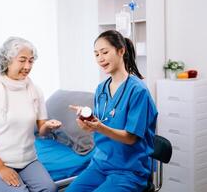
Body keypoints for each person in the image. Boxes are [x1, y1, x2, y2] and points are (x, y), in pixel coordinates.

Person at [67, 30, 158, 192]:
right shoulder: (101, 89)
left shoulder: (138, 91)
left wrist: (98, 127)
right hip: (100, 164)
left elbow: (130, 138)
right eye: (96, 54)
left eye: (104, 52)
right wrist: (87, 125)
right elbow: (101, 125)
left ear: (121, 51)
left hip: (128, 170)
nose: (100, 59)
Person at [0, 37, 61, 192]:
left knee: (50, 189)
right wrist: (1, 168)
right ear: (7, 60)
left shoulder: (35, 90)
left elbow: (42, 130)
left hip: (28, 161)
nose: (27, 66)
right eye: (22, 60)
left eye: (31, 61)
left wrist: (48, 126)